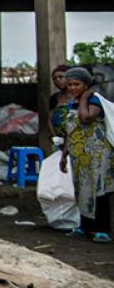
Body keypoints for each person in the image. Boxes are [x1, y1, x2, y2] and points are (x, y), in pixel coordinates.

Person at [58, 67, 112, 244]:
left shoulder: (94, 100)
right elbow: (71, 131)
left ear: (86, 84)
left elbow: (85, 117)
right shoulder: (72, 103)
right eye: (70, 84)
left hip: (96, 153)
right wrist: (64, 155)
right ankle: (85, 226)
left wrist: (86, 96)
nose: (72, 88)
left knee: (98, 189)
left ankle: (102, 229)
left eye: (77, 84)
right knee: (81, 188)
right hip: (79, 154)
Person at [49, 65, 74, 140]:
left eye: (61, 76)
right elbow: (49, 120)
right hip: (60, 139)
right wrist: (55, 137)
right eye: (54, 78)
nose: (57, 80)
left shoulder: (78, 96)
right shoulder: (54, 98)